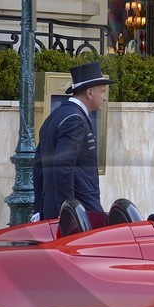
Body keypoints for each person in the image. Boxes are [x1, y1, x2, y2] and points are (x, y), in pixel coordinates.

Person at [33, 60, 111, 225]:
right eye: (102, 92)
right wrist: (69, 212)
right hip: (79, 212)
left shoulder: (56, 116)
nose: (104, 98)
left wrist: (39, 209)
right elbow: (63, 168)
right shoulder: (74, 119)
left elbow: (39, 166)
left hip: (55, 209)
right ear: (90, 93)